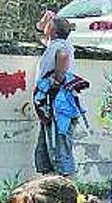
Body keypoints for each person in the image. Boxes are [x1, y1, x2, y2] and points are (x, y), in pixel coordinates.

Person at [34, 15, 77, 176]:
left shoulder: (60, 46)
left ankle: (66, 188)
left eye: (48, 25)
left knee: (59, 148)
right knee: (47, 148)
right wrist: (42, 23)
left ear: (52, 30)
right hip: (53, 103)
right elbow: (39, 35)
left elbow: (63, 57)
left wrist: (56, 80)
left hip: (58, 104)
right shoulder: (56, 44)